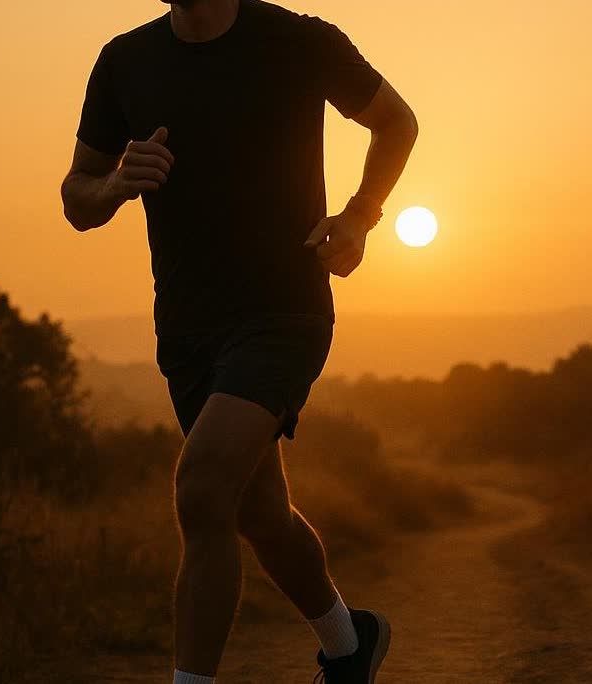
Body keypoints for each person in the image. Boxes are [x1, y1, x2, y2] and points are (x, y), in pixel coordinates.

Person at [59, 0, 418, 681]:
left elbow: (396, 122)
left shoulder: (299, 41)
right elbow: (78, 197)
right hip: (189, 328)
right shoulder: (125, 61)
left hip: (285, 311)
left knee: (201, 489)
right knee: (260, 514)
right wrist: (114, 184)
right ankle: (350, 645)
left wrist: (361, 215)